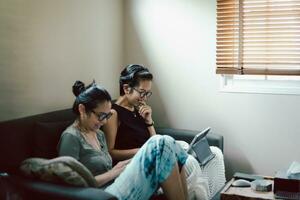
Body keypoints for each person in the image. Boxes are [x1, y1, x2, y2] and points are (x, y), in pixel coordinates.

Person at [103, 64, 225, 199]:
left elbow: (155, 141)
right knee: (190, 163)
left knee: (215, 153)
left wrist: (149, 121)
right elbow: (111, 153)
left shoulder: (139, 109)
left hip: (156, 156)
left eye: (147, 93)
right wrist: (143, 151)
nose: (144, 97)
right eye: (142, 92)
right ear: (126, 88)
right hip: (139, 163)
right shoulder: (113, 113)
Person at [58, 80, 189, 200]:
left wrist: (124, 167)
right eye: (101, 115)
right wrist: (113, 173)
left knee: (169, 142)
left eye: (107, 116)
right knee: (159, 143)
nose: (104, 122)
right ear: (82, 109)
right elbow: (69, 185)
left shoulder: (99, 134)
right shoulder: (71, 137)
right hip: (99, 195)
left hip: (114, 185)